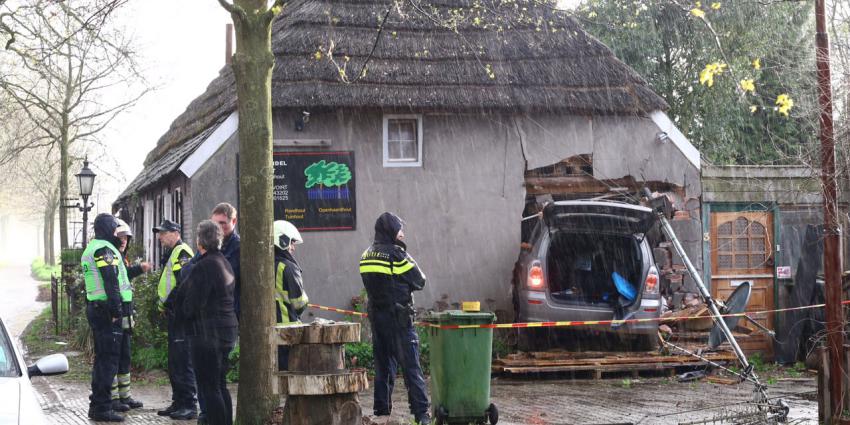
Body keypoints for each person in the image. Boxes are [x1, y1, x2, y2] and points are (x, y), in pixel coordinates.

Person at [359, 212, 430, 425]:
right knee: (411, 369)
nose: (403, 233)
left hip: (378, 321)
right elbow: (420, 280)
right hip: (399, 321)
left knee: (383, 367)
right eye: (400, 229)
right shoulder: (398, 255)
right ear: (391, 231)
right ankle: (422, 415)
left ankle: (381, 412)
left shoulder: (366, 255)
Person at [179, 220, 238, 425]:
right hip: (227, 331)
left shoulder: (203, 267)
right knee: (220, 385)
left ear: (199, 241)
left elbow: (192, 305)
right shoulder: (224, 262)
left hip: (207, 334)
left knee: (209, 387)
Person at [80, 213, 127, 422]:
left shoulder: (91, 248)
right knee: (108, 361)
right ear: (107, 228)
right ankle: (103, 409)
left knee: (101, 360)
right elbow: (111, 282)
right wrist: (117, 312)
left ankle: (97, 405)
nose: (117, 233)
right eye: (114, 228)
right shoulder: (103, 250)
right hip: (106, 311)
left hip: (95, 308)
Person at [153, 219, 198, 420]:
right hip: (173, 315)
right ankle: (178, 401)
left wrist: (168, 304)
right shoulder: (173, 253)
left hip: (180, 316)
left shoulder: (183, 253)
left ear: (175, 233)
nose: (160, 237)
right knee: (174, 362)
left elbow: (184, 285)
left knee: (183, 362)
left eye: (163, 233)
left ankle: (189, 404)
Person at [109, 219, 150, 412]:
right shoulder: (111, 256)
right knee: (114, 355)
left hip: (125, 314)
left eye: (126, 238)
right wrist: (139, 269)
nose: (124, 241)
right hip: (116, 314)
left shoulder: (121, 257)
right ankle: (114, 397)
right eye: (120, 237)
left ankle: (125, 396)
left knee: (125, 355)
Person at [272, 220, 308, 371]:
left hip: (270, 329)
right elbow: (299, 303)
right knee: (291, 373)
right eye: (291, 243)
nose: (293, 247)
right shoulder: (288, 267)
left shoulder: (265, 264)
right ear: (282, 240)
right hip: (289, 330)